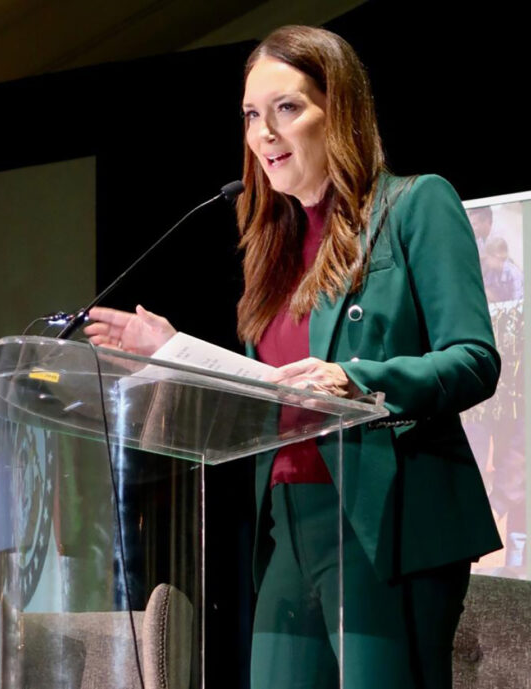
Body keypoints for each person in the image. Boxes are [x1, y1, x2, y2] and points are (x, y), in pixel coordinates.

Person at [85, 25, 501, 689]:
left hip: (381, 521)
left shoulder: (415, 206)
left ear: (339, 112)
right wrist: (172, 356)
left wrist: (354, 377)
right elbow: (270, 395)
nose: (264, 135)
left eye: (287, 108)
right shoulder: (271, 256)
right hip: (286, 528)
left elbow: (475, 359)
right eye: (252, 115)